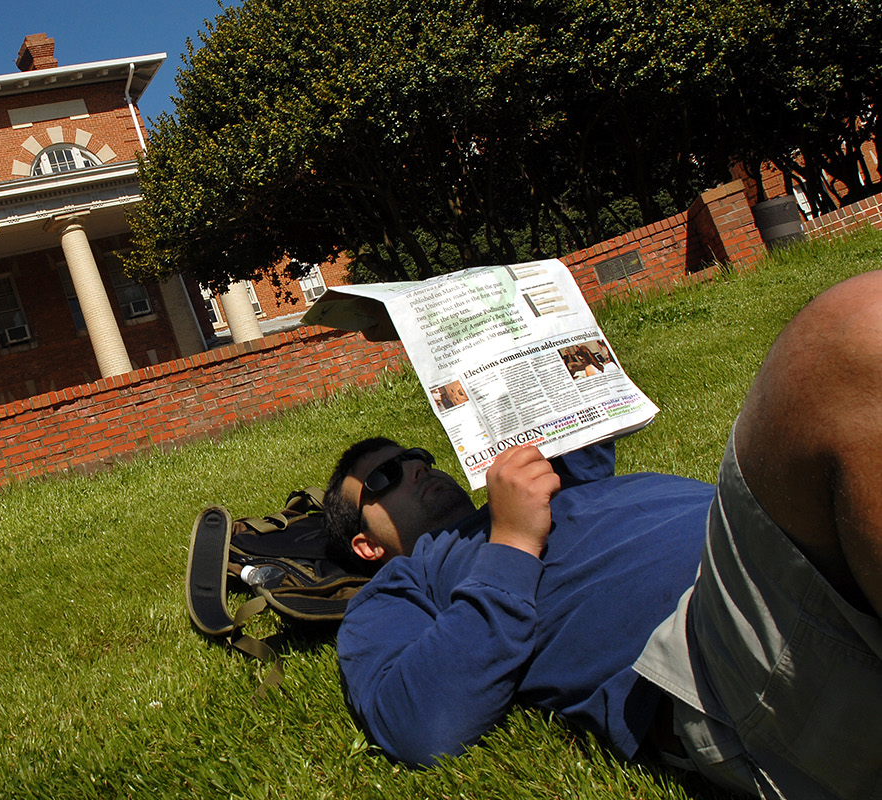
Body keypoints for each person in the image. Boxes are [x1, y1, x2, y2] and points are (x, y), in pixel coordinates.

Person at [327, 270, 882, 799]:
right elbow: (416, 722)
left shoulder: (553, 486)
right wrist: (513, 542)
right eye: (383, 477)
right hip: (720, 635)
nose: (416, 468)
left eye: (415, 455)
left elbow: (568, 385)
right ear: (366, 545)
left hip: (784, 544)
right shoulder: (399, 587)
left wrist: (440, 321)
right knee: (854, 326)